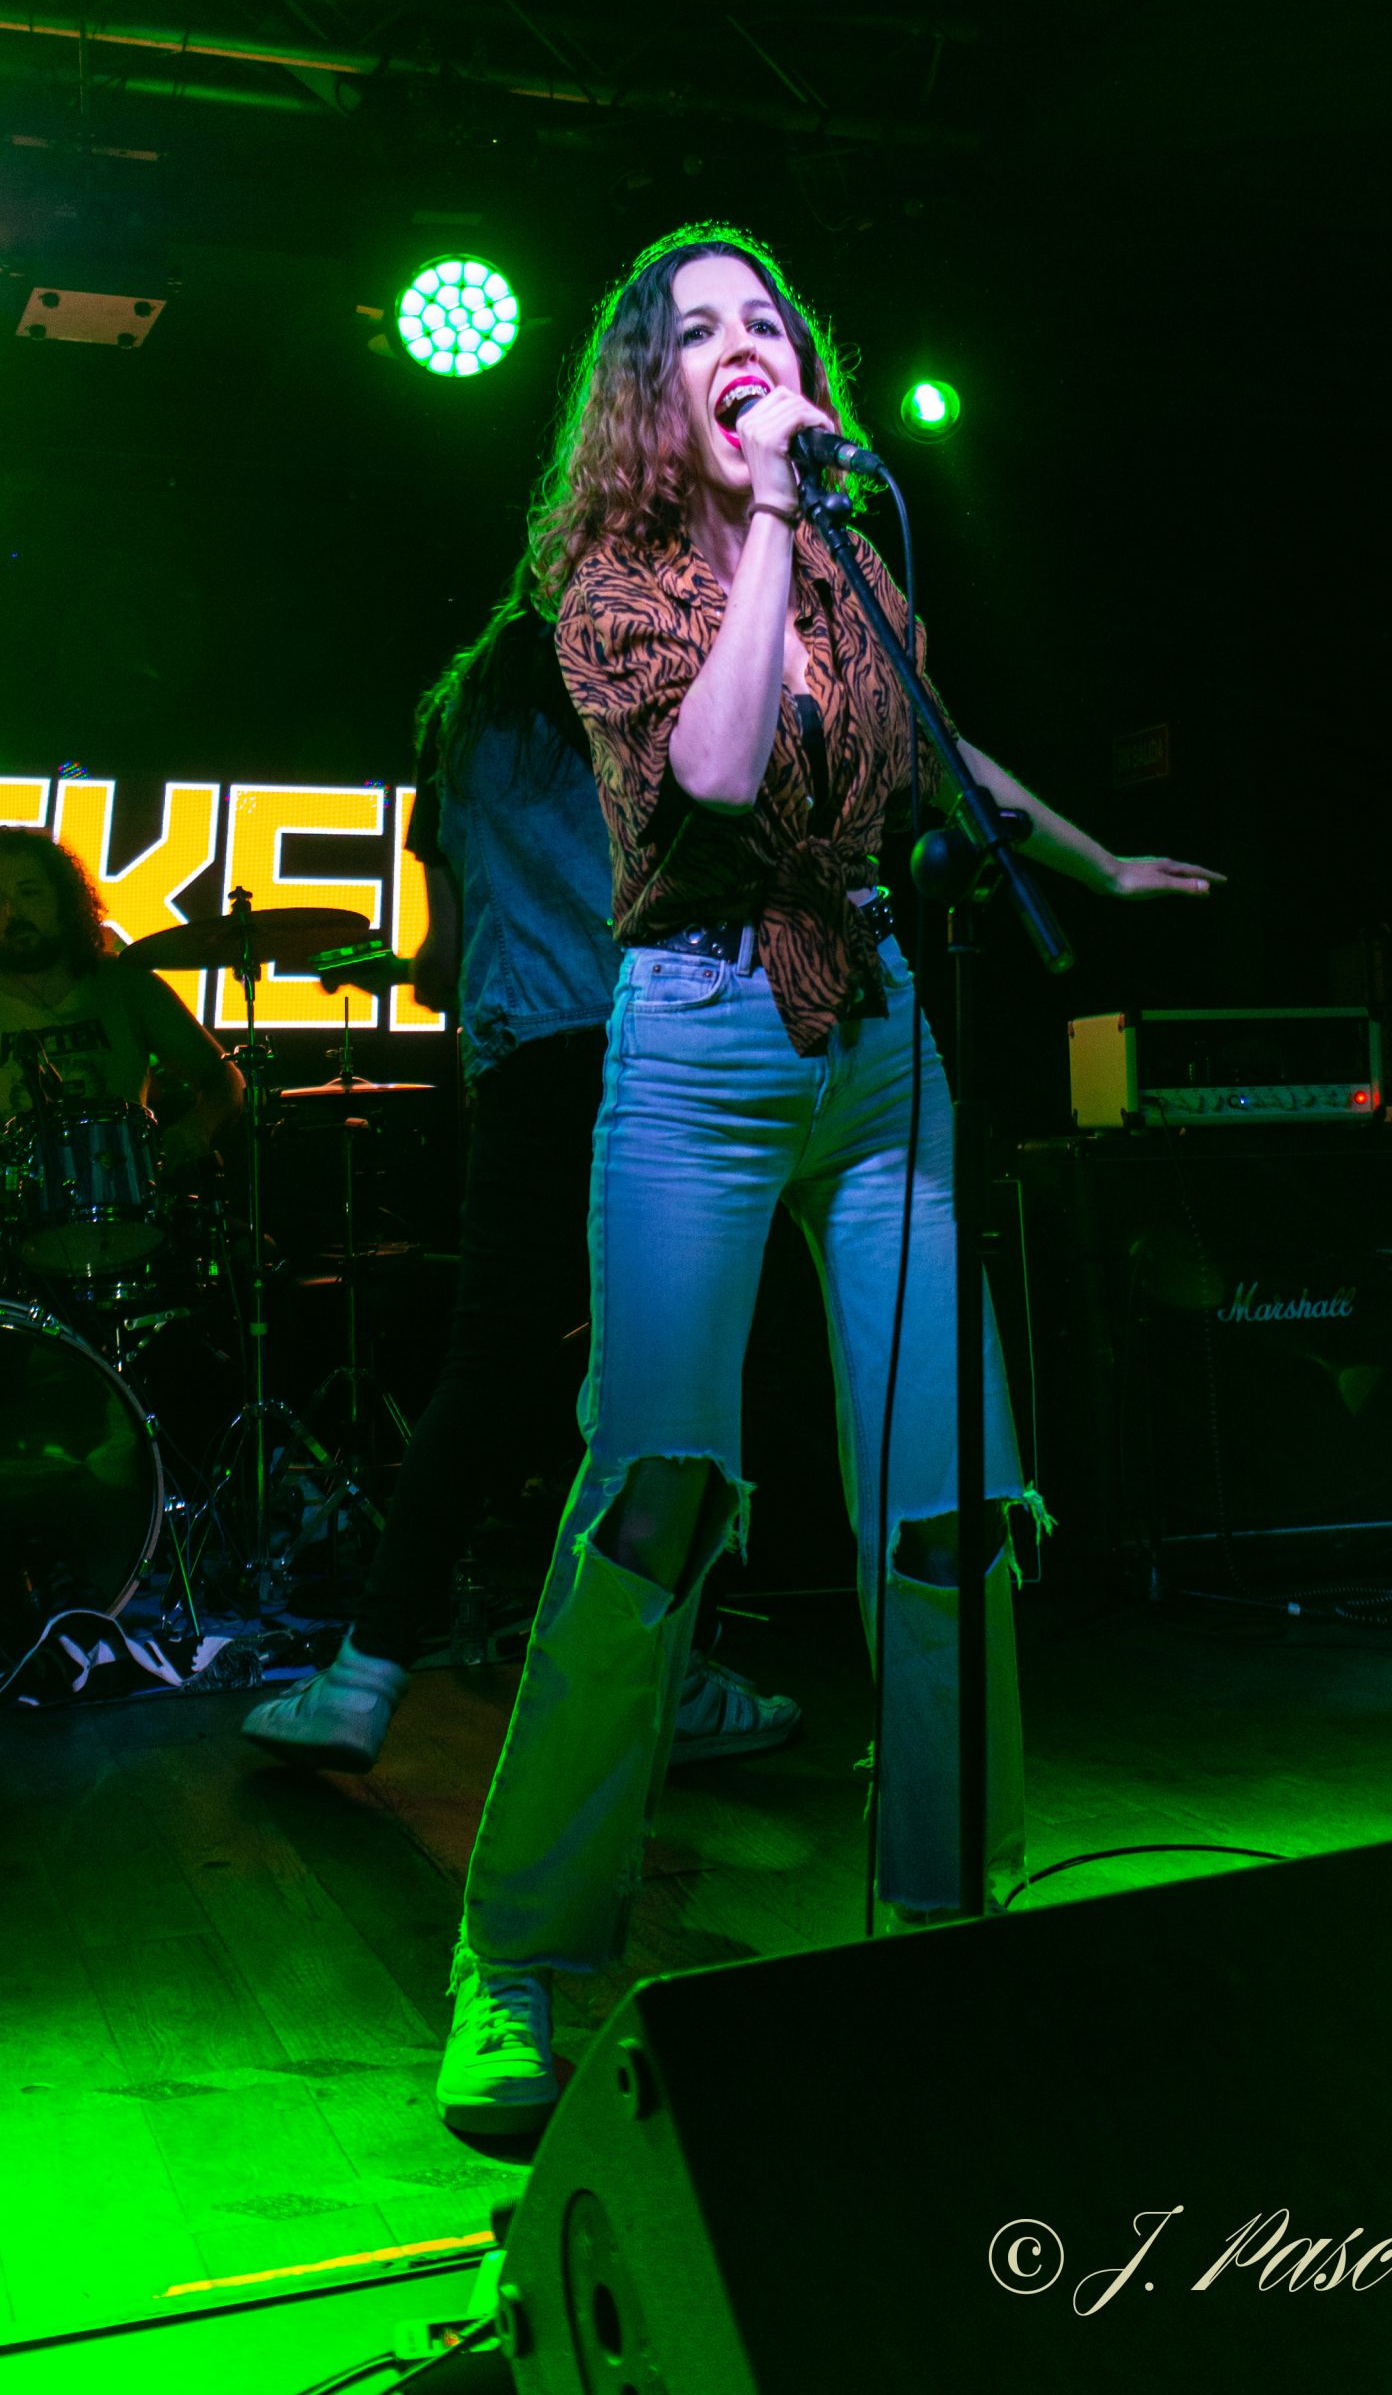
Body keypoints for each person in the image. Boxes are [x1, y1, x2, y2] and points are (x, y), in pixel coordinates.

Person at [434, 223, 1225, 2135]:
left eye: (763, 322)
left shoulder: (861, 569)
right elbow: (713, 777)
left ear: (801, 362)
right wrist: (777, 520)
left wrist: (1095, 861)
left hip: (876, 1040)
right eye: (697, 329)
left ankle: (951, 1909)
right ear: (653, 386)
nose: (739, 344)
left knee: (948, 1507)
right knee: (652, 1500)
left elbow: (942, 759)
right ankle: (517, 1962)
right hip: (695, 1043)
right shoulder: (609, 580)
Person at [240, 586, 802, 1771]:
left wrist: (442, 963)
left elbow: (444, 963)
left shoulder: (458, 734)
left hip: (532, 1063)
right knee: (682, 1379)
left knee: (486, 1366)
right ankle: (665, 1678)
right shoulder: (656, 683)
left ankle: (362, 1676)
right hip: (666, 1045)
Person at [0, 826, 242, 1168]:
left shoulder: (127, 984)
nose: (13, 913)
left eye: (30, 893)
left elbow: (224, 1078)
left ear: (63, 901)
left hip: (119, 1185)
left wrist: (196, 1129)